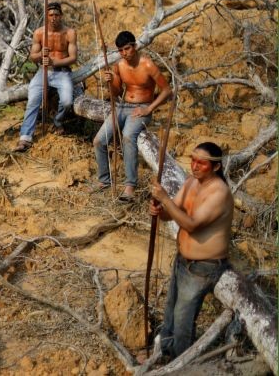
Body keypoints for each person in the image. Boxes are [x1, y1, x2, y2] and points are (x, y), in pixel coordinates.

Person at [150, 142, 233, 359]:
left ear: (215, 167)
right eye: (193, 160)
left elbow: (192, 224)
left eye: (201, 163)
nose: (194, 166)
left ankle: (181, 363)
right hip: (183, 260)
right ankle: (166, 354)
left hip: (203, 267)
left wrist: (165, 199)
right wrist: (159, 209)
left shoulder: (219, 193)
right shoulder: (190, 183)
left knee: (183, 318)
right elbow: (172, 213)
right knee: (171, 312)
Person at [92, 30, 172, 200]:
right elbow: (116, 92)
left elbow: (167, 91)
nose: (124, 53)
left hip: (142, 108)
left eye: (127, 49)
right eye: (120, 50)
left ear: (134, 46)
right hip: (122, 106)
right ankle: (104, 180)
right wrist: (109, 82)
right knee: (99, 140)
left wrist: (149, 109)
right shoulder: (119, 65)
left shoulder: (148, 65)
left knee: (128, 137)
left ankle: (130, 186)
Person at [12, 2, 78, 152]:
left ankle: (57, 122)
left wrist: (56, 61)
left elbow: (73, 58)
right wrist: (41, 55)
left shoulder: (69, 33)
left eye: (56, 15)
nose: (54, 18)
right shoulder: (39, 33)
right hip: (44, 72)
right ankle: (25, 138)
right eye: (51, 15)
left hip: (63, 72)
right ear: (47, 17)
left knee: (67, 101)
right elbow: (32, 56)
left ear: (61, 16)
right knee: (33, 100)